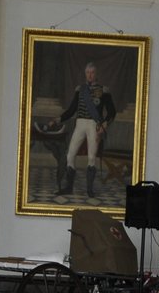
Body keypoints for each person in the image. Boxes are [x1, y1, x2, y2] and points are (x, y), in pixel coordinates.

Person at [46, 62, 115, 198]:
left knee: (91, 157)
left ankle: (89, 190)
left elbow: (112, 111)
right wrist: (57, 120)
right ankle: (69, 187)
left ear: (96, 74)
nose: (90, 75)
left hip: (93, 126)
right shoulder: (80, 89)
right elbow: (71, 110)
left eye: (92, 72)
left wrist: (104, 125)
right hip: (80, 124)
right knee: (70, 155)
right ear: (85, 74)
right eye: (87, 73)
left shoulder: (103, 90)